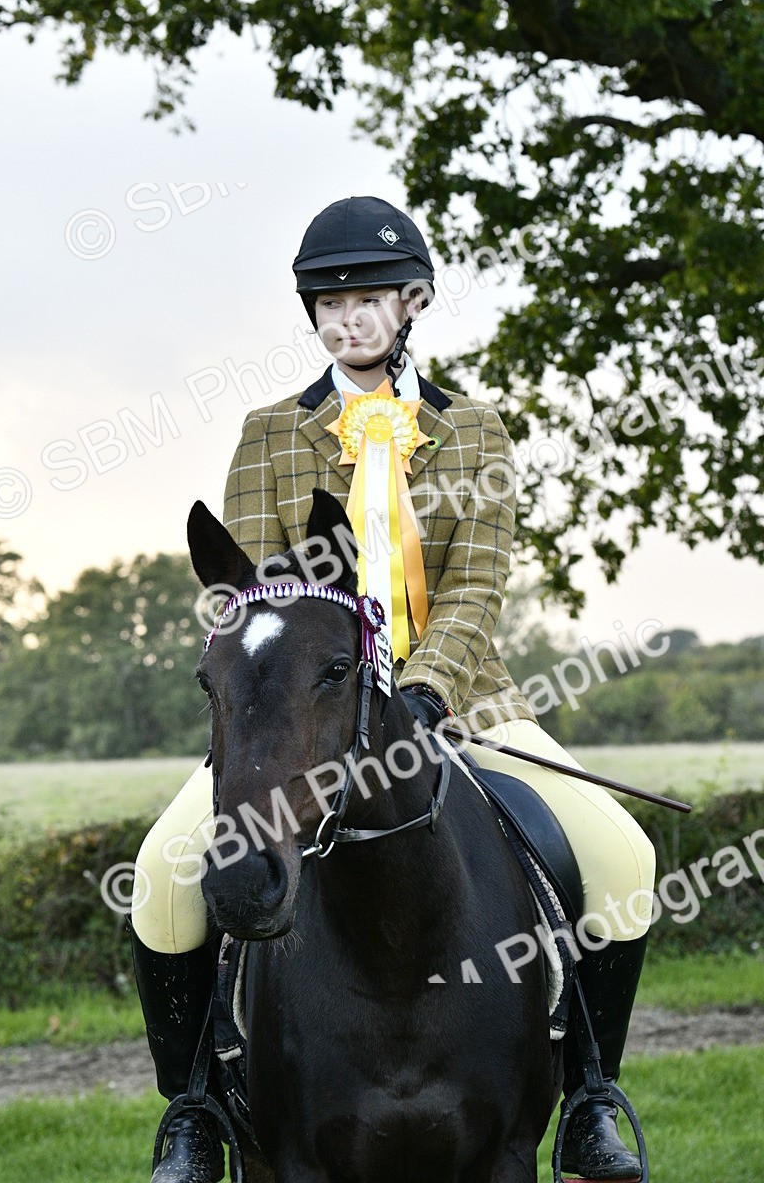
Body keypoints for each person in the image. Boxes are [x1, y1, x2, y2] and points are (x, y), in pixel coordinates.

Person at [130, 195, 655, 1183]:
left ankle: (587, 1097)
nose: (346, 318)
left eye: (367, 297)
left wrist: (423, 691)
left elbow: (476, 585)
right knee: (163, 879)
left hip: (461, 706)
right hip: (304, 717)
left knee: (620, 859)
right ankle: (196, 1111)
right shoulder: (269, 434)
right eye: (327, 302)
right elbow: (252, 590)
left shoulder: (474, 433)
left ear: (409, 303)